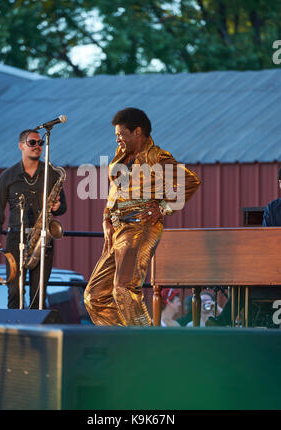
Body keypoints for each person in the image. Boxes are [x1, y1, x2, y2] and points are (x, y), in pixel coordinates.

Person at [84, 107, 201, 326]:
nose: (118, 139)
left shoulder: (156, 156)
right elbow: (113, 191)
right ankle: (125, 345)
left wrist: (164, 207)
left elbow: (190, 181)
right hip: (118, 230)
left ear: (138, 131)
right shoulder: (121, 157)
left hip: (140, 225)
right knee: (95, 296)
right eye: (116, 136)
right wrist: (106, 218)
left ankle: (146, 346)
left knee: (124, 289)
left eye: (122, 134)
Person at [0, 129, 67, 309]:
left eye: (40, 143)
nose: (37, 146)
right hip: (16, 238)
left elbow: (63, 207)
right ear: (21, 146)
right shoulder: (7, 176)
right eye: (32, 142)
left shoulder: (52, 173)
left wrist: (57, 207)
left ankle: (35, 334)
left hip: (43, 239)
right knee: (14, 292)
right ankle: (15, 333)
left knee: (38, 294)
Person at [206, 168, 281, 327]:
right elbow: (266, 239)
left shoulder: (273, 208)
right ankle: (225, 320)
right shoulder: (274, 208)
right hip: (274, 266)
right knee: (244, 278)